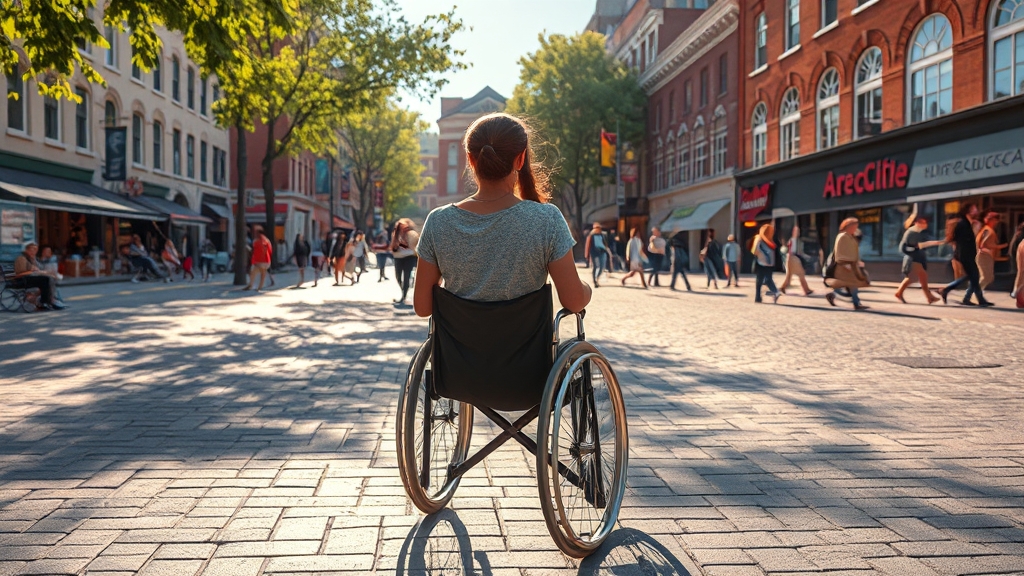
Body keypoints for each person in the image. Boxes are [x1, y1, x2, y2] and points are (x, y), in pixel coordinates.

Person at [412, 112, 589, 318]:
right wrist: (585, 287)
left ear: (470, 159)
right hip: (528, 350)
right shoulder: (547, 220)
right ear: (520, 159)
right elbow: (574, 301)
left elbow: (423, 308)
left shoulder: (438, 222)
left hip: (457, 350)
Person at [939, 203, 993, 306]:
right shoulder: (962, 224)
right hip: (965, 255)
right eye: (974, 209)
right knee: (974, 276)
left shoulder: (967, 224)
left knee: (973, 276)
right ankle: (978, 300)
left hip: (968, 255)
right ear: (967, 211)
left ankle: (958, 295)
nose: (976, 211)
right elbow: (962, 242)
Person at [895, 215, 944, 304]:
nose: (926, 224)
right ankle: (899, 292)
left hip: (917, 258)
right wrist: (935, 243)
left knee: (922, 277)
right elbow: (917, 245)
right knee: (912, 278)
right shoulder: (912, 232)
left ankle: (930, 297)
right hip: (913, 259)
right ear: (917, 223)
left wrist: (935, 243)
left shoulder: (917, 232)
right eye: (923, 223)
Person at [825, 218, 870, 310]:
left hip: (851, 265)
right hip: (843, 266)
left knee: (852, 284)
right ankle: (855, 303)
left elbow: (853, 251)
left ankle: (854, 302)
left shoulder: (851, 237)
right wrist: (844, 263)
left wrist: (858, 261)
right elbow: (839, 251)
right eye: (854, 226)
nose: (855, 229)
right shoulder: (842, 236)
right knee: (849, 284)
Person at [13, 243, 65, 310]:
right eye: (32, 250)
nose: (33, 252)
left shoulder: (33, 259)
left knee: (49, 278)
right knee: (45, 279)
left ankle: (50, 299)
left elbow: (40, 268)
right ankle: (46, 301)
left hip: (30, 278)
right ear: (27, 250)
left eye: (35, 250)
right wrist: (34, 270)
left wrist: (36, 264)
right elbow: (21, 272)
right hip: (22, 279)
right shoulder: (21, 258)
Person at [391, 218, 419, 305]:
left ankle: (403, 296)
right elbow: (393, 246)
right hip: (398, 257)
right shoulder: (395, 235)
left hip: (409, 257)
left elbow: (415, 245)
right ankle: (403, 289)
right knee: (398, 276)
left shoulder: (412, 234)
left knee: (406, 277)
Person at [976, 212, 1007, 291]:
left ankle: (975, 293)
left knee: (988, 278)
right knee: (986, 278)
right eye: (995, 220)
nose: (996, 222)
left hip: (985, 256)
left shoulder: (986, 229)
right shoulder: (988, 230)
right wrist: (1001, 246)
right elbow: (983, 244)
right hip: (984, 256)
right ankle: (972, 293)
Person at [779, 226, 813, 296]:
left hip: (792, 258)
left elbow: (799, 252)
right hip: (793, 258)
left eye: (798, 231)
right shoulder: (792, 240)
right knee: (801, 274)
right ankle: (806, 290)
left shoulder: (797, 241)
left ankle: (783, 287)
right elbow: (794, 251)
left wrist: (806, 256)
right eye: (797, 231)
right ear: (793, 232)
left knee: (789, 276)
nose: (798, 233)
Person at [751, 223, 780, 304]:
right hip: (770, 263)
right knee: (768, 279)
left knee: (760, 281)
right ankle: (773, 292)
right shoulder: (771, 241)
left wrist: (760, 255)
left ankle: (759, 297)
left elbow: (755, 250)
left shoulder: (759, 239)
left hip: (761, 262)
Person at [244, 226, 273, 291]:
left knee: (254, 272)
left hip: (259, 260)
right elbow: (270, 250)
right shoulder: (267, 241)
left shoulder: (256, 241)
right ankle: (257, 286)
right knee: (260, 273)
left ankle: (253, 285)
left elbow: (254, 250)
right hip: (265, 260)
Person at [584, 223, 612, 287]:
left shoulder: (603, 235)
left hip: (602, 252)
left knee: (602, 267)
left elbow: (605, 244)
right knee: (596, 266)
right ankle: (595, 280)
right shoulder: (591, 236)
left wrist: (608, 251)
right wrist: (587, 255)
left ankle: (597, 277)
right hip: (594, 252)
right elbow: (588, 246)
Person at [1010, 222, 1024, 300]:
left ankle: (1015, 291)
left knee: (1020, 274)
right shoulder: (1021, 237)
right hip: (1020, 255)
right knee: (1021, 273)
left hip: (1017, 255)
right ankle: (1015, 291)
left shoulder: (1018, 235)